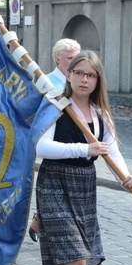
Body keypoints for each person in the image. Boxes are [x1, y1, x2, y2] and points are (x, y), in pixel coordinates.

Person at [35, 50, 132, 265]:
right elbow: (40, 147)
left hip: (83, 188)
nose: (84, 79)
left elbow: (111, 150)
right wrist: (84, 148)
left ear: (97, 81)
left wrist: (125, 175)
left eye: (90, 75)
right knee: (77, 259)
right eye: (79, 72)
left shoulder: (100, 113)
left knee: (66, 260)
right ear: (69, 74)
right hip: (53, 184)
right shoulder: (56, 105)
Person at [29, 38, 81, 242]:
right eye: (70, 58)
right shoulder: (47, 81)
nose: (75, 61)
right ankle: (42, 222)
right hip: (55, 141)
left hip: (76, 139)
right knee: (58, 191)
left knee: (65, 193)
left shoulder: (78, 79)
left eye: (77, 57)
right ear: (58, 60)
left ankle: (38, 221)